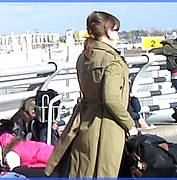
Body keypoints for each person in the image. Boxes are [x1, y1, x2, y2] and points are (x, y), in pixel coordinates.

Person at [44, 11, 138, 178]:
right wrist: (130, 125)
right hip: (107, 124)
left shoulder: (84, 56)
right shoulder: (112, 61)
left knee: (83, 168)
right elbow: (112, 99)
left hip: (84, 119)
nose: (117, 35)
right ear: (109, 31)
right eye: (115, 30)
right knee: (106, 169)